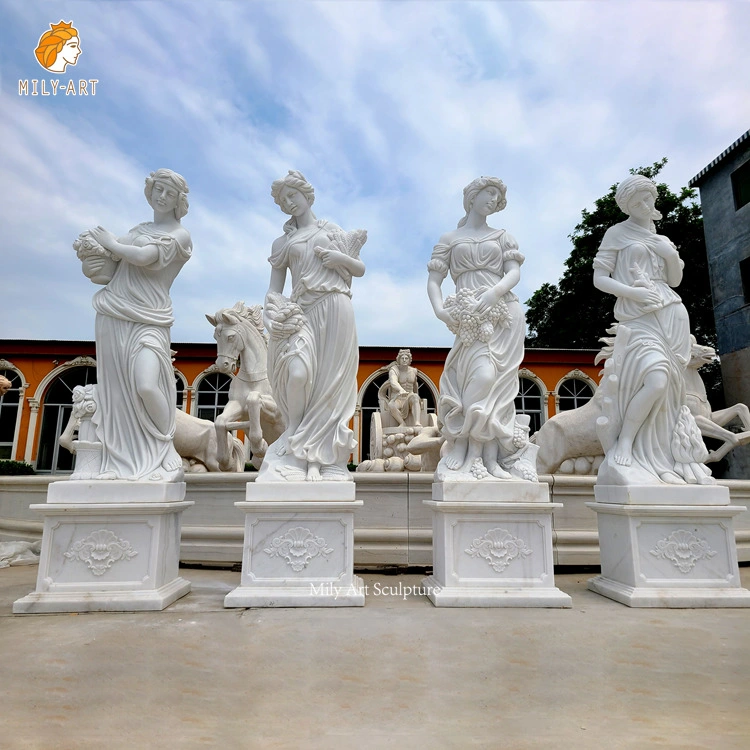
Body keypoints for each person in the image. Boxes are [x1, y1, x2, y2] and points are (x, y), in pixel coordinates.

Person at [593, 174, 712, 484]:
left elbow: (675, 280)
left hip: (672, 313)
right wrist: (631, 292)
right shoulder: (617, 234)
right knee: (655, 381)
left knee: (672, 395)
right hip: (639, 317)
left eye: (649, 199)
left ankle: (662, 462)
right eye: (639, 201)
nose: (647, 205)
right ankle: (627, 443)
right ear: (628, 205)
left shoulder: (661, 239)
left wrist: (670, 254)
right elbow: (599, 278)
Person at [85, 169, 192, 481]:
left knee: (146, 384)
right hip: (114, 313)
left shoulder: (180, 235)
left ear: (178, 201)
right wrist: (92, 257)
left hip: (150, 317)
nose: (161, 197)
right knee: (117, 391)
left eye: (168, 193)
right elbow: (110, 273)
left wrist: (111, 243)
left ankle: (165, 446)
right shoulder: (137, 229)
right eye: (157, 190)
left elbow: (145, 257)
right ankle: (117, 461)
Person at [261, 170, 365, 481]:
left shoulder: (331, 229)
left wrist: (339, 259)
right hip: (301, 313)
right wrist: (269, 313)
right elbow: (274, 289)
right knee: (298, 373)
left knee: (329, 384)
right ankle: (293, 432)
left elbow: (358, 269)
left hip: (336, 307)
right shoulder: (283, 242)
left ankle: (322, 455)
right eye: (283, 200)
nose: (289, 202)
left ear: (307, 195)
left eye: (293, 196)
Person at [427, 176, 528, 480]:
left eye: (497, 195)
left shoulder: (503, 237)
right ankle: (462, 446)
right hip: (469, 318)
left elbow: (514, 273)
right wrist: (440, 310)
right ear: (473, 196)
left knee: (498, 388)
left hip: (503, 315)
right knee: (479, 378)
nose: (492, 199)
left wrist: (494, 292)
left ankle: (488, 456)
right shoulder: (449, 239)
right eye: (489, 192)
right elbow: (434, 281)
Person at [385, 349, 422, 426]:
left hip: (409, 396)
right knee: (391, 405)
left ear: (409, 360)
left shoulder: (414, 371)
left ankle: (417, 422)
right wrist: (401, 390)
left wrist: (418, 398)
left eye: (406, 358)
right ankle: (402, 423)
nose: (404, 360)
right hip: (398, 397)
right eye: (402, 358)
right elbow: (393, 381)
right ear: (398, 360)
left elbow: (415, 385)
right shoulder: (394, 370)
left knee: (415, 397)